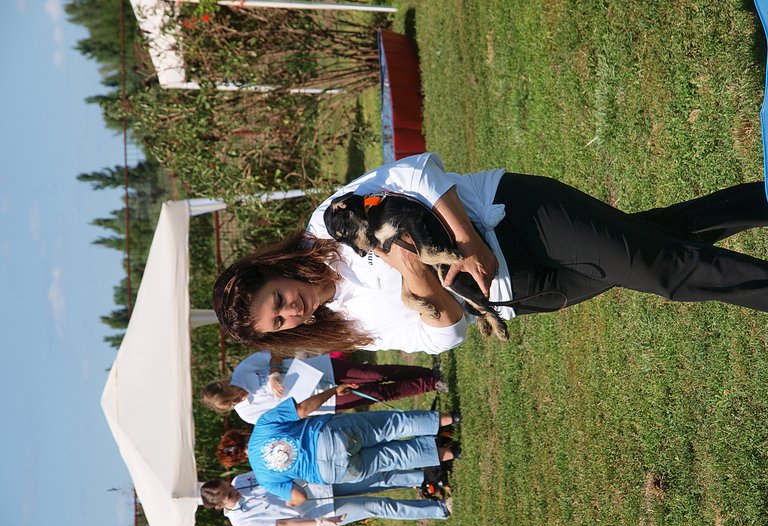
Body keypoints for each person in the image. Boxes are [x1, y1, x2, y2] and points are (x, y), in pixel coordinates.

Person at [212, 153, 768, 355]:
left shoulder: (329, 226)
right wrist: (418, 284)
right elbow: (441, 339)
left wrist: (467, 242)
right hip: (521, 292)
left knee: (664, 270)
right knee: (661, 240)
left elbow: (416, 171)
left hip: (513, 217)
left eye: (278, 300)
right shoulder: (347, 325)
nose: (292, 312)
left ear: (274, 269)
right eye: (279, 323)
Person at [246, 382, 459, 503]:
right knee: (393, 425)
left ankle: (454, 452)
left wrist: (290, 501)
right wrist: (333, 391)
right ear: (243, 435)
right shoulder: (262, 425)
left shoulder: (264, 479)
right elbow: (302, 409)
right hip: (328, 436)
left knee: (395, 458)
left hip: (332, 473)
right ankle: (453, 418)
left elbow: (299, 497)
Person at [201, 350, 444, 424]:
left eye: (231, 397)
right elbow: (287, 418)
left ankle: (429, 372)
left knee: (376, 374)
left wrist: (274, 374)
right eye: (231, 405)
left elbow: (274, 353)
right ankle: (432, 383)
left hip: (320, 369)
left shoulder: (243, 370)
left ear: (225, 386)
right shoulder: (248, 414)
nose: (236, 402)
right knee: (378, 394)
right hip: (324, 401)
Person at [200, 470, 451, 526]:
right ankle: (439, 509)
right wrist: (319, 523)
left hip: (316, 482)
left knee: (376, 478)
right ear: (220, 506)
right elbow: (284, 525)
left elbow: (275, 473)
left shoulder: (240, 480)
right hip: (320, 511)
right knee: (377, 506)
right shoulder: (242, 523)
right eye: (229, 495)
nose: (234, 490)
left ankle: (428, 477)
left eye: (229, 485)